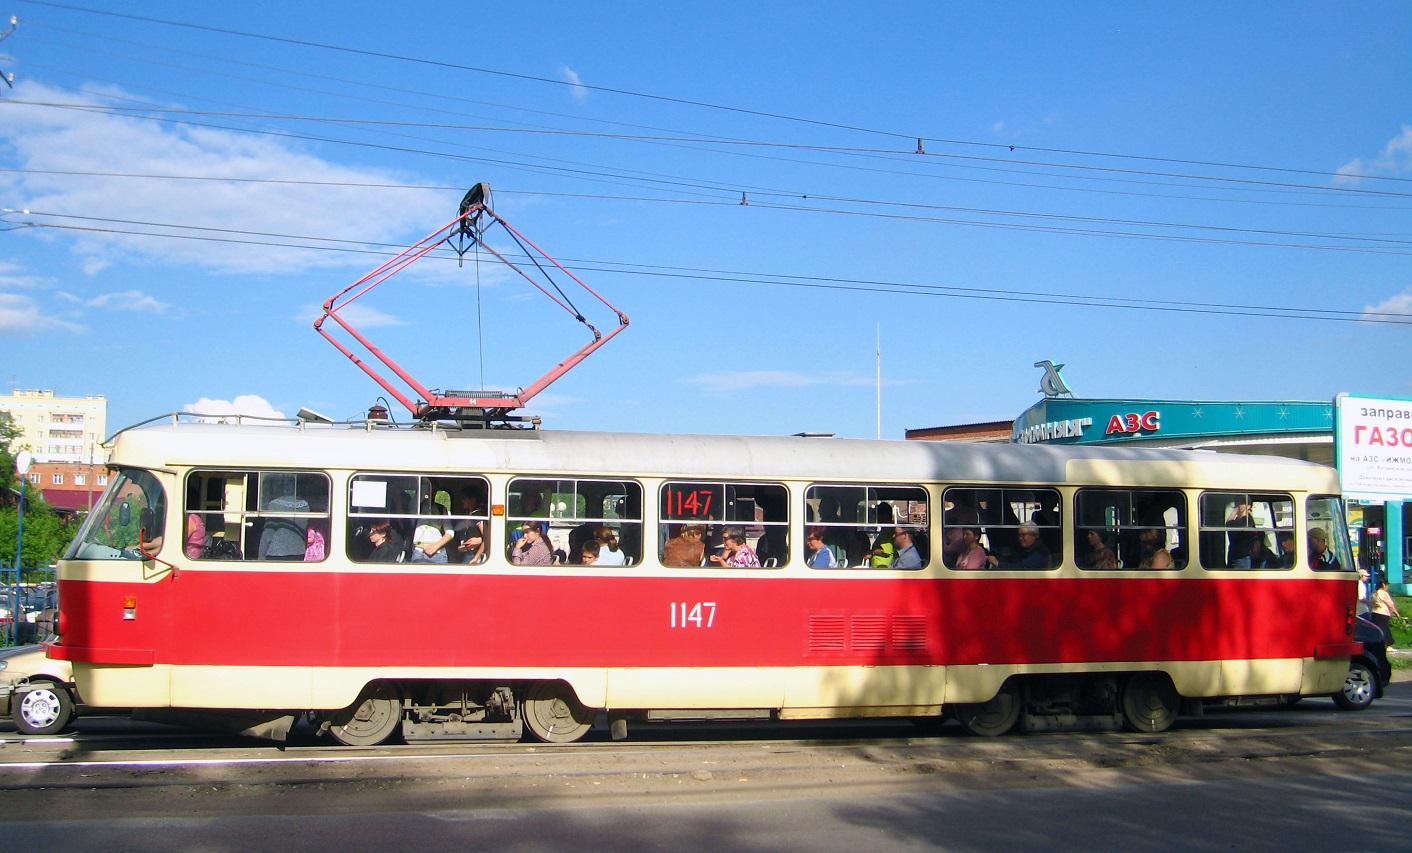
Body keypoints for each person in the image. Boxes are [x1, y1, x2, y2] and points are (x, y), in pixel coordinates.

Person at [1371, 579, 1403, 647]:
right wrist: (1396, 613)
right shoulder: (1383, 593)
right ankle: (1386, 644)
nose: (1387, 587)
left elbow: (1372, 603)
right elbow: (1390, 605)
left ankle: (1379, 644)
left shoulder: (1374, 593)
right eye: (1387, 585)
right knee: (1384, 629)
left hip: (1375, 612)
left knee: (1377, 629)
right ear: (1383, 585)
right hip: (1383, 613)